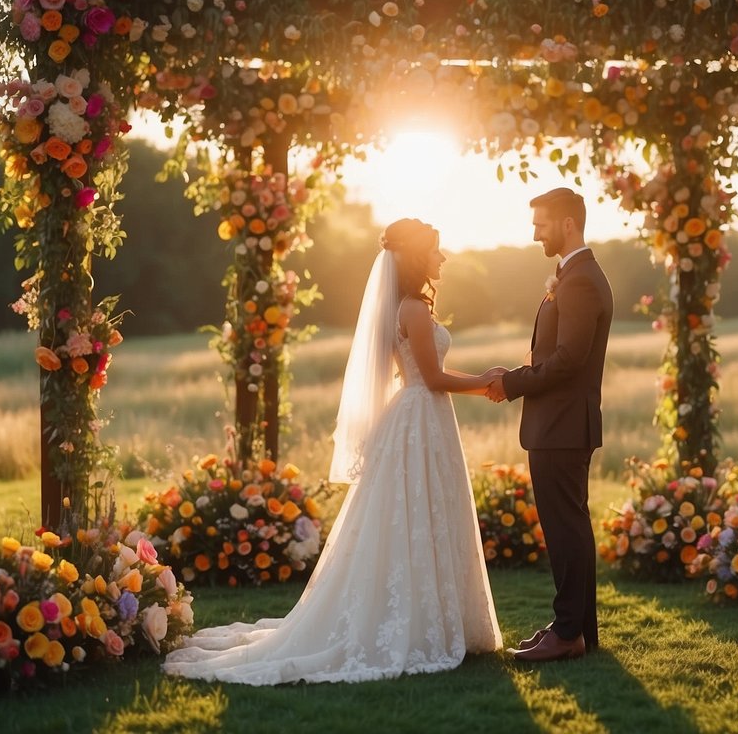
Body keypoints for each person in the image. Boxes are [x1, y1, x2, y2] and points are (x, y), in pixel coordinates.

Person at [163, 218, 503, 685]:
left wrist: (481, 381)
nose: (442, 259)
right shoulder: (415, 310)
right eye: (436, 251)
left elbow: (428, 373)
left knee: (424, 514)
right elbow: (435, 376)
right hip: (421, 415)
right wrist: (488, 381)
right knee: (419, 513)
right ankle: (418, 618)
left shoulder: (406, 307)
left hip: (422, 416)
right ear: (416, 256)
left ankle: (432, 613)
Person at [487, 188, 614, 662]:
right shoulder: (574, 275)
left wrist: (513, 382)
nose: (535, 231)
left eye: (541, 223)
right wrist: (518, 372)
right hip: (560, 424)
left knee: (566, 530)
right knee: (570, 528)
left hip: (562, 425)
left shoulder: (579, 280)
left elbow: (567, 360)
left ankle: (568, 635)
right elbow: (555, 353)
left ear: (567, 224)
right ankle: (575, 629)